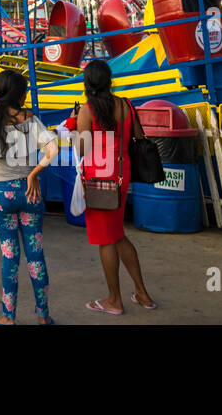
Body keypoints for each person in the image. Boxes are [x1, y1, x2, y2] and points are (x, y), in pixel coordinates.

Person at [0, 70, 57, 325]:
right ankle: (43, 316)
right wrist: (33, 174)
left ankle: (7, 317)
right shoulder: (30, 119)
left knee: (9, 258)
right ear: (21, 94)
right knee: (36, 255)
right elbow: (52, 149)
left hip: (1, 195)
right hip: (30, 193)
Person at [76, 59, 155, 314]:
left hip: (98, 179)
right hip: (122, 174)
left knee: (106, 240)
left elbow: (82, 148)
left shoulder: (88, 110)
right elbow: (140, 137)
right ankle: (142, 293)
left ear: (88, 84)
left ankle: (114, 300)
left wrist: (75, 124)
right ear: (109, 81)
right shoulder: (126, 105)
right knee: (117, 234)